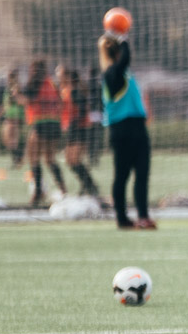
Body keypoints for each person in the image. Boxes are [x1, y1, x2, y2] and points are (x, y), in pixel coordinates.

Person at [99, 35, 153, 229]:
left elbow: (125, 61)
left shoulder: (125, 73)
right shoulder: (112, 73)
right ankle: (122, 218)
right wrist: (124, 38)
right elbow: (126, 59)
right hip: (122, 130)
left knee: (142, 173)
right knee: (122, 176)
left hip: (137, 127)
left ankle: (143, 217)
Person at [22, 58, 67, 205]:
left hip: (40, 123)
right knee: (50, 159)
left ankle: (38, 192)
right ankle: (63, 189)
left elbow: (27, 100)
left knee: (33, 158)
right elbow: (60, 101)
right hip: (54, 124)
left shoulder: (35, 83)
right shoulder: (51, 83)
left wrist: (15, 93)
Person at [58, 68, 102, 202]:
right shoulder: (67, 90)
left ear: (67, 77)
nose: (57, 76)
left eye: (59, 73)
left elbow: (81, 109)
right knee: (70, 160)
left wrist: (74, 123)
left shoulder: (75, 90)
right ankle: (87, 185)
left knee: (74, 160)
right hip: (74, 129)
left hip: (79, 129)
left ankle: (91, 186)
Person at [1, 72, 25, 168]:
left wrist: (15, 95)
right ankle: (19, 158)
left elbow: (19, 101)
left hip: (16, 117)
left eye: (11, 77)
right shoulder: (7, 89)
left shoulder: (17, 88)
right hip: (8, 116)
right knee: (6, 140)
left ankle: (16, 161)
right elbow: (6, 104)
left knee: (12, 140)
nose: (9, 79)